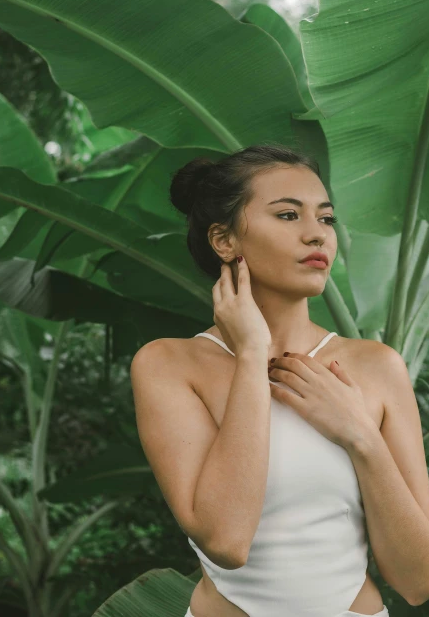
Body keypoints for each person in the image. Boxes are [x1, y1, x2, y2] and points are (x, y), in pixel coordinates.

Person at [132, 142, 390, 617]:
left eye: (326, 218)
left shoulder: (377, 366)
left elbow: (418, 581)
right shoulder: (168, 364)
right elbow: (227, 541)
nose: (317, 235)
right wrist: (251, 353)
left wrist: (362, 437)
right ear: (224, 241)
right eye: (289, 216)